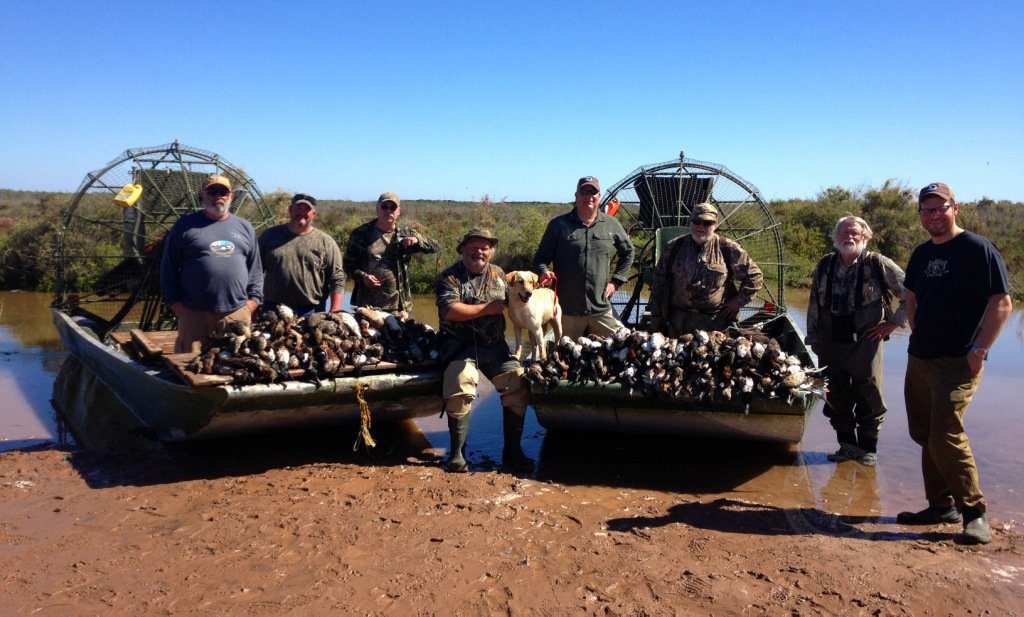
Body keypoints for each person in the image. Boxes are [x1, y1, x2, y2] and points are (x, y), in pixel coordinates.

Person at [897, 182, 1012, 545]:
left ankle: (974, 513)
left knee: (946, 433)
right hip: (921, 357)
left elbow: (1002, 303)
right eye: (926, 210)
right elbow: (911, 297)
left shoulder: (977, 249)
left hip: (959, 360)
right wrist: (918, 332)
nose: (933, 215)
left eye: (939, 208)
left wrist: (979, 350)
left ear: (954, 208)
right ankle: (940, 505)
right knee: (925, 435)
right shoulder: (921, 254)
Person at [806, 215, 906, 466]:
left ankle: (868, 449)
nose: (849, 237)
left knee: (869, 392)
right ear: (835, 237)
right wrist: (813, 336)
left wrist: (893, 322)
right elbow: (813, 304)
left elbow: (911, 294)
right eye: (843, 232)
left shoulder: (878, 263)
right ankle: (847, 446)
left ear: (865, 237)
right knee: (829, 391)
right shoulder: (825, 264)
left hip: (866, 341)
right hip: (829, 341)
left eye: (855, 233)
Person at [435, 228, 533, 473]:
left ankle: (512, 452)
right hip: (459, 347)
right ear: (463, 250)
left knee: (518, 383)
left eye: (485, 247)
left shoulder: (501, 275)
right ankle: (457, 454)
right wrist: (486, 309)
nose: (479, 251)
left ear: (490, 251)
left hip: (495, 347)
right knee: (461, 383)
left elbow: (517, 301)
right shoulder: (450, 277)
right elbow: (450, 311)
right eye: (474, 247)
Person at [160, 174, 263, 353]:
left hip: (236, 312)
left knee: (236, 365)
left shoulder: (245, 227)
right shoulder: (184, 226)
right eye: (213, 191)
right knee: (190, 367)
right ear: (204, 194)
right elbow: (168, 269)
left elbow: (255, 270)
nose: (218, 196)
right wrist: (177, 306)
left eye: (223, 192)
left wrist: (252, 303)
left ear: (230, 196)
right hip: (194, 314)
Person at [533, 176, 635, 339]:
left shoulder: (611, 224)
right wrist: (543, 271)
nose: (589, 196)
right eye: (584, 191)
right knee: (563, 359)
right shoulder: (558, 225)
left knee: (626, 344)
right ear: (576, 196)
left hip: (601, 309)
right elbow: (540, 259)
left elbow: (629, 253)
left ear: (599, 196)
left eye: (593, 192)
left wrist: (616, 282)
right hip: (567, 311)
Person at [649, 202, 763, 336]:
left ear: (715, 225)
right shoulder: (674, 247)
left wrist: (738, 301)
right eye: (697, 222)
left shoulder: (727, 248)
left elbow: (755, 277)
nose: (701, 227)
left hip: (715, 325)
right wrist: (656, 314)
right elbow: (659, 282)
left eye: (707, 223)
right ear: (690, 222)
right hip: (677, 322)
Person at [343, 191, 438, 313]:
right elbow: (348, 265)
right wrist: (363, 277)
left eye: (392, 207)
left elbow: (435, 246)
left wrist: (417, 240)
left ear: (398, 212)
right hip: (366, 304)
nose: (388, 211)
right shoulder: (360, 234)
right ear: (377, 209)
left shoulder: (405, 233)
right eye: (384, 207)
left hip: (398, 305)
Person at [258, 193, 345, 315]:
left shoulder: (326, 242)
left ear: (313, 214)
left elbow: (337, 278)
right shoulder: (269, 236)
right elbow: (254, 272)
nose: (301, 212)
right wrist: (252, 301)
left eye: (306, 209)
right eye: (298, 208)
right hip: (273, 308)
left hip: (311, 310)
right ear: (290, 210)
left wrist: (335, 310)